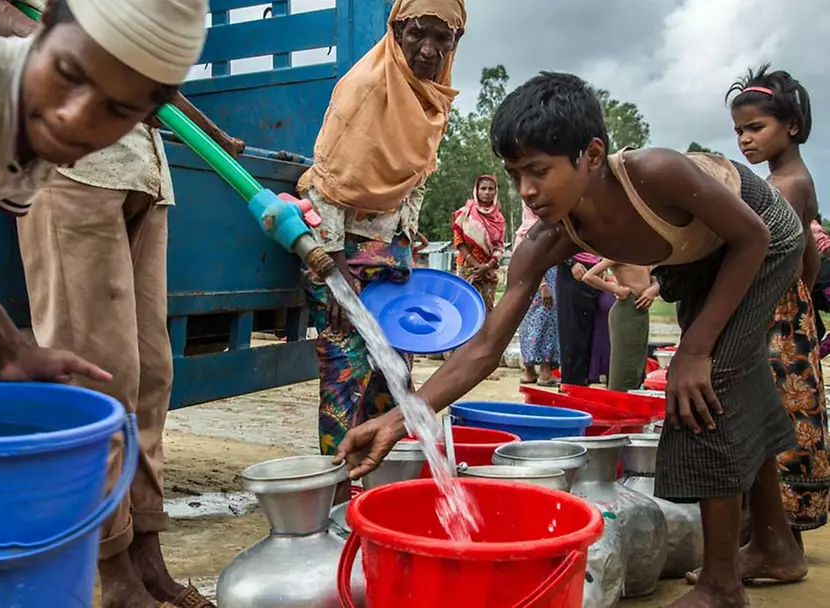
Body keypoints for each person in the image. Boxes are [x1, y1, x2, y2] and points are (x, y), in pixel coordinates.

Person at [336, 72, 808, 608]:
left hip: (761, 240)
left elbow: (754, 236)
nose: (527, 191)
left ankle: (722, 587)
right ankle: (773, 543)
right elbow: (487, 347)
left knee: (706, 381)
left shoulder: (656, 173)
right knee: (731, 379)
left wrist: (694, 351)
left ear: (591, 154)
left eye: (539, 171)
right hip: (699, 256)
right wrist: (399, 420)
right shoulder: (547, 238)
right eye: (515, 175)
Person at [0, 0, 238, 605]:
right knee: (96, 373)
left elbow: (152, 73)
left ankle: (147, 551)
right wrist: (79, 56)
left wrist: (210, 130)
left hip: (143, 164)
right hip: (71, 161)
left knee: (151, 374)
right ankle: (110, 567)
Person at [296, 0, 465, 504]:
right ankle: (339, 500)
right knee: (346, 375)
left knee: (393, 381)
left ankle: (381, 492)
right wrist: (335, 274)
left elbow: (415, 179)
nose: (429, 49)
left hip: (389, 260)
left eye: (443, 38)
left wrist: (405, 243)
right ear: (396, 28)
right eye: (418, 34)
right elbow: (325, 185)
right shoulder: (365, 87)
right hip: (339, 255)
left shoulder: (431, 98)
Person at [724, 64, 829, 551]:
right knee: (783, 419)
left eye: (755, 128)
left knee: (773, 423)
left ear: (791, 126)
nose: (744, 139)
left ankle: (773, 544)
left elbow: (758, 257)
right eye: (739, 130)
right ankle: (773, 539)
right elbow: (806, 256)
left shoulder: (784, 187)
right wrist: (799, 300)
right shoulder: (794, 181)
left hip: (773, 320)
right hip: (790, 319)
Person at [582, 260, 659, 391]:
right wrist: (615, 288)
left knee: (638, 365)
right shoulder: (619, 252)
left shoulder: (644, 254)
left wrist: (652, 290)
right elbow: (589, 276)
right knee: (624, 365)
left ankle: (633, 401)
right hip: (626, 309)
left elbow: (656, 280)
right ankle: (618, 399)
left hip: (641, 310)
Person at [513, 202, 560, 386]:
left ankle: (531, 371)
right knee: (543, 323)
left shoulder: (547, 227)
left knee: (536, 323)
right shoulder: (530, 231)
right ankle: (543, 373)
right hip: (542, 282)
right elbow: (530, 262)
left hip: (537, 283)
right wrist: (542, 285)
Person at [453, 174, 506, 311]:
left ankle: (487, 334)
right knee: (465, 309)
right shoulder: (465, 213)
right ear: (476, 190)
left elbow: (500, 247)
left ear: (496, 191)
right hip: (467, 268)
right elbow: (459, 241)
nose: (487, 192)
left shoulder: (499, 219)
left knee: (487, 310)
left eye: (491, 189)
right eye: (483, 188)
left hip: (488, 271)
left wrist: (487, 267)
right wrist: (477, 266)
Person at [556, 251, 601, 386]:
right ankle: (569, 383)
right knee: (571, 329)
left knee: (589, 329)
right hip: (572, 269)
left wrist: (601, 264)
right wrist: (571, 263)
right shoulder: (569, 228)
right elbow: (558, 243)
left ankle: (583, 381)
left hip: (593, 269)